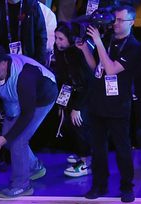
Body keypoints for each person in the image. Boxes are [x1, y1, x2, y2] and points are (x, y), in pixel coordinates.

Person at [78, 5, 141, 203]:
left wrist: (97, 42)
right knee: (98, 149)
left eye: (121, 20)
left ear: (131, 22)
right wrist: (86, 50)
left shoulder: (133, 47)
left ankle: (127, 187)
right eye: (115, 19)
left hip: (118, 106)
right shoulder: (108, 38)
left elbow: (112, 69)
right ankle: (99, 185)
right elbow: (96, 67)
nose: (116, 23)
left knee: (122, 149)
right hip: (98, 102)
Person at [0, 44, 56, 198]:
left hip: (42, 97)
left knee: (18, 140)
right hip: (15, 97)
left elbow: (27, 113)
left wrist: (6, 138)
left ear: (4, 64)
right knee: (8, 138)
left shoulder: (25, 76)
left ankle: (22, 186)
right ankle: (35, 167)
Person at [50, 23, 92, 178]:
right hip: (71, 91)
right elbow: (63, 77)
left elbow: (90, 81)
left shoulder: (79, 53)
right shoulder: (60, 51)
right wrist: (62, 103)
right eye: (56, 38)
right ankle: (81, 153)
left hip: (86, 94)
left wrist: (78, 107)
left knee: (78, 124)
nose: (57, 42)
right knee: (67, 123)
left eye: (61, 38)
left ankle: (86, 162)